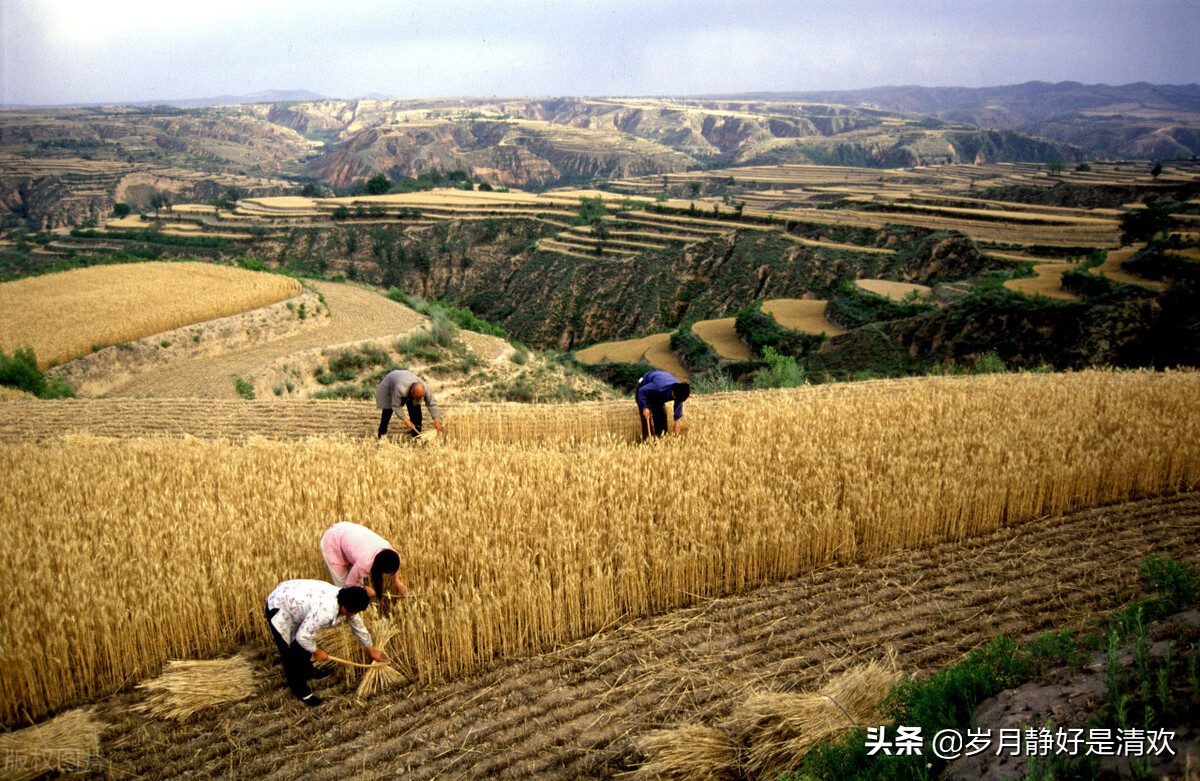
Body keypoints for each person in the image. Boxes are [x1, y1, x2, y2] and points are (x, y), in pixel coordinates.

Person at [264, 579, 385, 706]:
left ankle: (308, 671)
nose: (354, 615)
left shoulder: (348, 599)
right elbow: (303, 637)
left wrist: (371, 649)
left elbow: (358, 625)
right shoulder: (325, 611)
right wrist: (317, 651)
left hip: (295, 600)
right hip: (280, 606)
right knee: (290, 653)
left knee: (301, 647)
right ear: (344, 607)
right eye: (352, 612)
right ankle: (302, 692)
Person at [320, 521, 411, 599]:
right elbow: (349, 584)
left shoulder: (388, 549)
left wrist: (397, 580)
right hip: (332, 542)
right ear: (379, 569)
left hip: (347, 534)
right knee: (343, 589)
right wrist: (364, 589)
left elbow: (393, 563)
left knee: (358, 587)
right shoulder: (364, 564)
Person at [375, 369, 445, 439]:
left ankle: (416, 435)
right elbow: (396, 406)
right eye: (416, 397)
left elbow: (431, 403)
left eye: (419, 397)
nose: (418, 399)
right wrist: (406, 420)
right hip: (390, 383)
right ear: (411, 392)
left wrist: (437, 421)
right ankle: (381, 434)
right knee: (387, 411)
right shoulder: (400, 389)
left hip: (406, 379)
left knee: (416, 410)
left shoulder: (425, 387)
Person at [635, 369, 690, 439]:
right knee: (646, 416)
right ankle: (648, 440)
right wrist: (645, 407)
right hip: (644, 385)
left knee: (661, 413)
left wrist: (677, 424)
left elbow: (678, 407)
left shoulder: (679, 391)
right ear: (672, 392)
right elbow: (641, 391)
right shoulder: (659, 386)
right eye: (675, 398)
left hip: (658, 392)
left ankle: (662, 437)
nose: (677, 400)